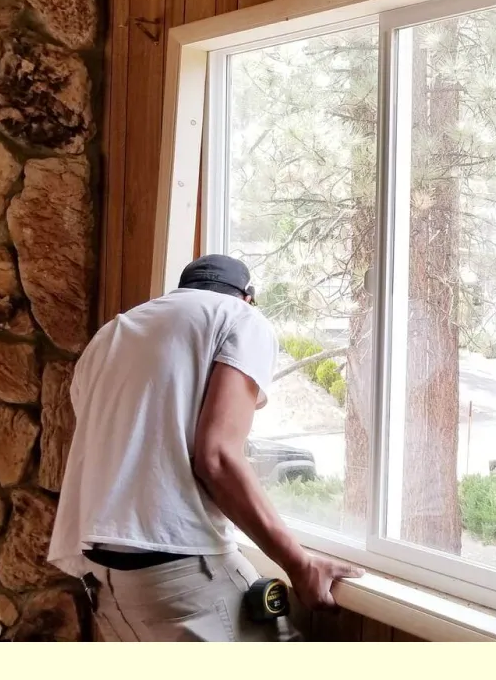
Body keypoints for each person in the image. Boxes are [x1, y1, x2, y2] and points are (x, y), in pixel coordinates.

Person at [48, 254, 363, 642]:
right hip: (179, 572)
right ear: (247, 296)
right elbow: (217, 458)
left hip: (106, 578)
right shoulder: (241, 319)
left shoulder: (111, 335)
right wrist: (299, 563)